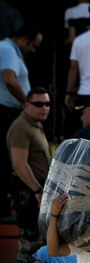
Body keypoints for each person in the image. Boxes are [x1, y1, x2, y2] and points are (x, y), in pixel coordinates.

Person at [7, 87, 50, 263]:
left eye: (47, 104)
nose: (44, 108)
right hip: (28, 195)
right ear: (27, 105)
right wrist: (37, 190)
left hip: (36, 194)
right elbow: (19, 164)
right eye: (38, 104)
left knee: (39, 244)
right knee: (29, 246)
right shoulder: (22, 127)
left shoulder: (35, 125)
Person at [0, 24, 42, 221]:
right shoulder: (8, 49)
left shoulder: (11, 51)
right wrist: (28, 103)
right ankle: (3, 209)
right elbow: (9, 79)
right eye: (33, 46)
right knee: (7, 160)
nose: (33, 50)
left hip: (10, 110)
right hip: (6, 111)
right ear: (25, 39)